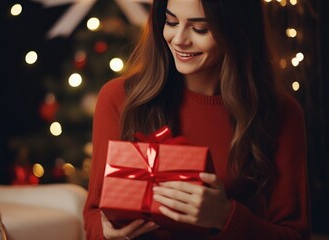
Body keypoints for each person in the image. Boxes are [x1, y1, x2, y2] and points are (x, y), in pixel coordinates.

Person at [83, 0, 311, 239]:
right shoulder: (120, 98)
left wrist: (225, 217)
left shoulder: (281, 113)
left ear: (236, 30)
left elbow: (294, 234)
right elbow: (93, 214)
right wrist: (106, 233)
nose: (179, 39)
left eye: (200, 29)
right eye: (171, 22)